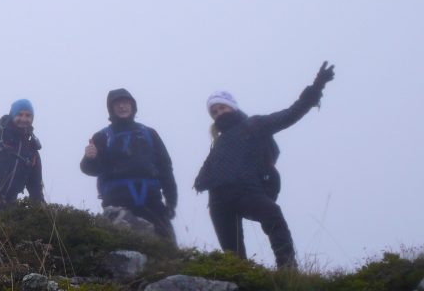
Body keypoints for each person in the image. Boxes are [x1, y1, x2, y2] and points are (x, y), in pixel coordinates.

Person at [194, 61, 336, 269]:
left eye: (222, 107)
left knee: (274, 217)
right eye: (214, 112)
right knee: (233, 258)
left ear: (232, 106)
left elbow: (291, 113)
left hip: (247, 192)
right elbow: (207, 171)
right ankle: (244, 288)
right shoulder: (218, 142)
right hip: (218, 201)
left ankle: (287, 269)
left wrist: (317, 86)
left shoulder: (255, 125)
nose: (219, 113)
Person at [80, 89, 178, 242]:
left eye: (126, 102)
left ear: (133, 106)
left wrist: (171, 202)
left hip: (152, 202)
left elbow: (165, 169)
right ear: (111, 109)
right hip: (117, 203)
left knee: (168, 253)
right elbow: (90, 169)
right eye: (117, 104)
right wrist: (89, 157)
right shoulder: (102, 136)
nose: (122, 107)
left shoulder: (150, 134)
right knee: (120, 251)